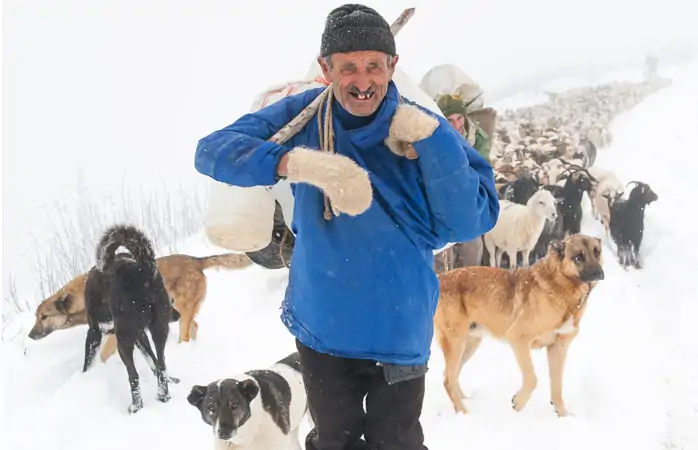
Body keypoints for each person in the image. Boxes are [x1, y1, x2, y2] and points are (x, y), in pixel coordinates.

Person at [194, 4, 499, 450]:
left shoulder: (421, 124)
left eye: (374, 66)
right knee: (334, 440)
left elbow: (472, 218)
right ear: (326, 69)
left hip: (398, 329)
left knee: (393, 442)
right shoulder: (302, 116)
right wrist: (297, 164)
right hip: (325, 328)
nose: (363, 81)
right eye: (349, 67)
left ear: (393, 66)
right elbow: (213, 152)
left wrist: (433, 141)